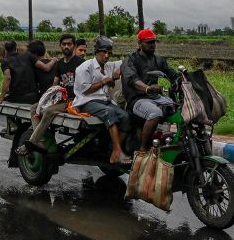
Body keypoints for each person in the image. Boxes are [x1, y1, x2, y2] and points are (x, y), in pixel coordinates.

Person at [18, 34, 84, 154]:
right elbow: (55, 84)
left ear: (74, 46)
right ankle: (41, 142)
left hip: (73, 100)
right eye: (64, 44)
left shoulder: (80, 63)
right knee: (34, 108)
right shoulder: (59, 63)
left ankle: (31, 143)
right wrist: (47, 99)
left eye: (69, 44)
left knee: (48, 111)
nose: (66, 46)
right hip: (61, 98)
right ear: (60, 46)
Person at [73, 36, 132, 165]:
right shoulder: (85, 67)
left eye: (109, 53)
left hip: (104, 101)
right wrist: (105, 81)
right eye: (104, 52)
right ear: (96, 52)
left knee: (126, 117)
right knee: (109, 112)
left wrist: (120, 72)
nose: (106, 56)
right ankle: (117, 152)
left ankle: (113, 149)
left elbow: (127, 61)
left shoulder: (109, 66)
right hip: (87, 102)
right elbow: (85, 90)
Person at [121, 29, 179, 151]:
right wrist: (147, 88)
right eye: (148, 42)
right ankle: (143, 148)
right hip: (137, 100)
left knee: (181, 110)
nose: (152, 45)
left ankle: (178, 144)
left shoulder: (159, 60)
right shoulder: (131, 59)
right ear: (140, 43)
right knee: (155, 113)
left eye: (153, 42)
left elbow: (172, 74)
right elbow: (132, 79)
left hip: (156, 98)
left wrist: (184, 80)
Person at [0, 40, 41, 107]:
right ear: (16, 48)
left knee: (7, 97)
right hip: (33, 97)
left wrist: (1, 98)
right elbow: (43, 67)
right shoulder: (27, 56)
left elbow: (8, 77)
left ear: (6, 50)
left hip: (17, 98)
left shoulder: (5, 61)